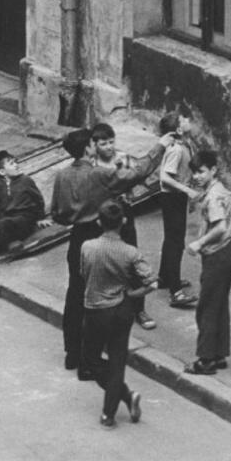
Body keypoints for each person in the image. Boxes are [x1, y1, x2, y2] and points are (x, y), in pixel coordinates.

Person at [51, 127, 174, 374]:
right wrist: (160, 146)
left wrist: (76, 215)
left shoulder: (62, 176)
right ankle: (90, 359)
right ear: (88, 148)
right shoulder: (99, 174)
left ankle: (72, 353)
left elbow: (57, 213)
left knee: (75, 293)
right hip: (97, 236)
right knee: (97, 298)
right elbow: (137, 173)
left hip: (77, 237)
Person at [80, 199, 157, 428]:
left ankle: (122, 399)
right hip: (121, 308)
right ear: (123, 221)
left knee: (92, 360)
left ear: (98, 222)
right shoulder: (130, 252)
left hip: (94, 309)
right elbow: (152, 282)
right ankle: (111, 411)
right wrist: (133, 294)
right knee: (117, 361)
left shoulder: (87, 247)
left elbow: (83, 273)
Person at [91, 122, 156, 331]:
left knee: (131, 258)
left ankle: (139, 310)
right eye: (103, 144)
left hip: (124, 212)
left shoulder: (124, 158)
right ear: (94, 145)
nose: (109, 147)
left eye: (111, 142)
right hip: (102, 215)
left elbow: (139, 178)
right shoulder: (92, 165)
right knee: (105, 259)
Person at [185, 151, 231, 375]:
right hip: (227, 251)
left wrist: (198, 243)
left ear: (213, 170)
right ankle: (219, 354)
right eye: (194, 172)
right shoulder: (219, 190)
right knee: (219, 305)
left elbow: (220, 227)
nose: (196, 176)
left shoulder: (212, 197)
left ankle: (206, 360)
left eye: (201, 172)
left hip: (217, 254)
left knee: (207, 307)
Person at [158, 109, 199, 308]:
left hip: (178, 197)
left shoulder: (185, 144)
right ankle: (175, 292)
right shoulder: (176, 149)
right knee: (176, 243)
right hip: (172, 198)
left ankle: (165, 277)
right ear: (178, 130)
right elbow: (164, 177)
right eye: (183, 119)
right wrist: (187, 191)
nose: (187, 119)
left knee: (172, 240)